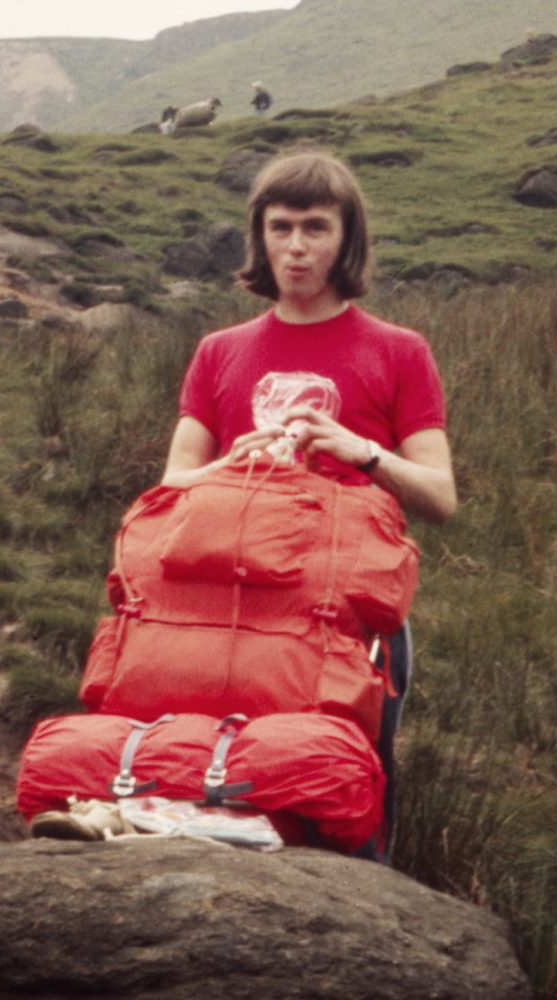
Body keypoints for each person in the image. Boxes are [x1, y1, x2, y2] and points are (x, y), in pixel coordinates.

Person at [161, 149, 457, 862]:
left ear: (346, 237)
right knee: (224, 771)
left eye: (316, 228)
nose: (296, 246)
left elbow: (442, 497)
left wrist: (362, 452)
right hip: (232, 607)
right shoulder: (218, 351)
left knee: (348, 779)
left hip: (350, 612)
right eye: (281, 227)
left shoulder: (400, 350)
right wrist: (231, 464)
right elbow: (170, 487)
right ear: (258, 236)